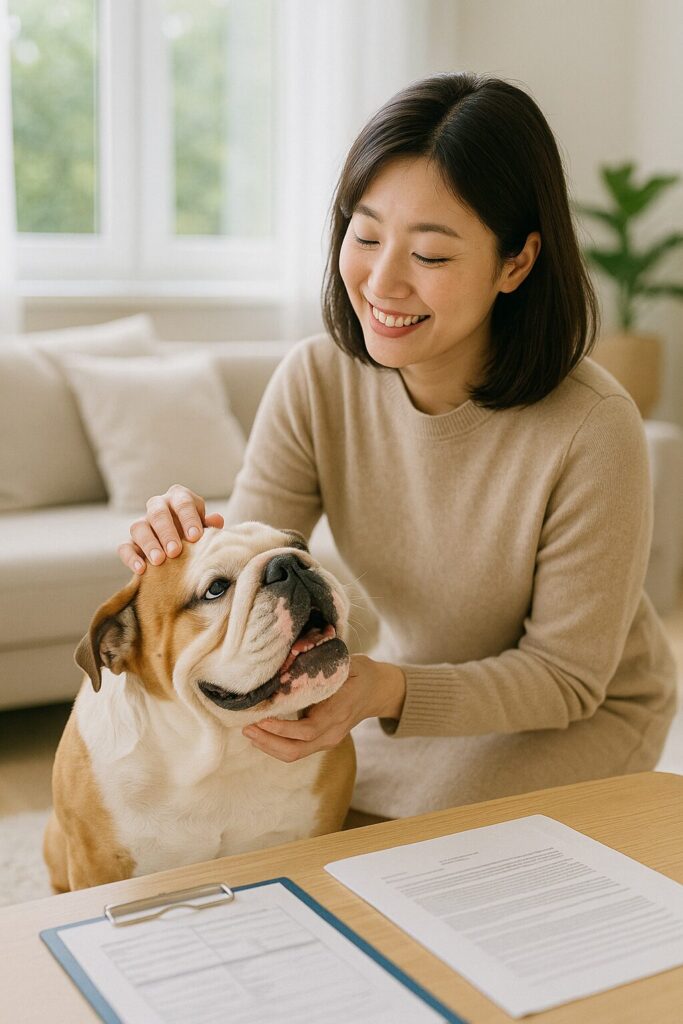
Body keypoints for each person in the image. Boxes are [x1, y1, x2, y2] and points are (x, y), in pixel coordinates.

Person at [118, 72, 677, 823]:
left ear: (515, 262)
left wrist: (382, 691)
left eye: (432, 256)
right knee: (266, 809)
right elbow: (249, 568)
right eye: (366, 234)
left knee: (404, 850)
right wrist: (184, 548)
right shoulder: (316, 378)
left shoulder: (593, 425)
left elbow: (565, 677)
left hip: (574, 706)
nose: (381, 282)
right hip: (397, 686)